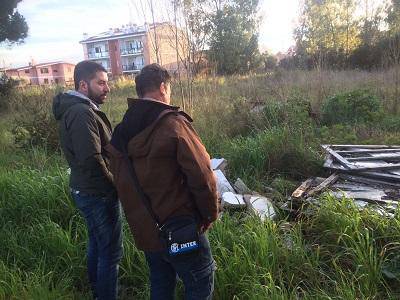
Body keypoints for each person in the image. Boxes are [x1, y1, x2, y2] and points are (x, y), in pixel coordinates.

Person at [106, 63, 218, 300]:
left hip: (148, 232)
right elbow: (203, 175)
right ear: (163, 87)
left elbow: (122, 184)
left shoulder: (120, 133)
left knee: (161, 283)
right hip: (182, 228)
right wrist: (209, 214)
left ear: (139, 92)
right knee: (199, 284)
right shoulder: (172, 124)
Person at [52, 60, 123, 300]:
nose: (107, 88)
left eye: (107, 82)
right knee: (110, 253)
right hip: (97, 192)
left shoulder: (79, 108)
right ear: (84, 84)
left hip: (87, 190)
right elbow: (92, 159)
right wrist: (115, 186)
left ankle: (97, 291)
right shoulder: (82, 112)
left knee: (98, 245)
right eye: (101, 83)